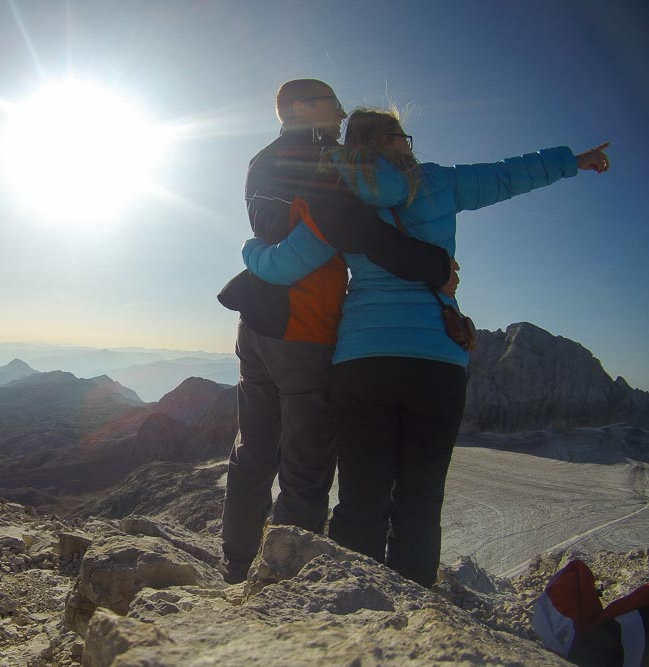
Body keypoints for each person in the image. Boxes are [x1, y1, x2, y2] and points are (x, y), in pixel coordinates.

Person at [242, 107, 610, 587]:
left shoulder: (340, 200)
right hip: (436, 363)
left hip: (362, 362)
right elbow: (508, 175)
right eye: (402, 135)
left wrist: (250, 250)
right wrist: (572, 161)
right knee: (420, 501)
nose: (408, 143)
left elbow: (281, 267)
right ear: (394, 141)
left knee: (361, 498)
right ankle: (413, 604)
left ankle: (357, 608)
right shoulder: (438, 183)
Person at [218, 81, 458, 584]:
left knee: (253, 454)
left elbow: (270, 230)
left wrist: (262, 253)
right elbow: (360, 233)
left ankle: (237, 566)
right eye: (332, 103)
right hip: (304, 327)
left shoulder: (263, 160)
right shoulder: (322, 162)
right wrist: (434, 265)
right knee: (306, 469)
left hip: (255, 322)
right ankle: (285, 582)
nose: (341, 112)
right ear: (301, 108)